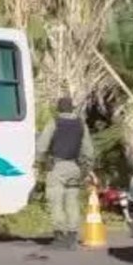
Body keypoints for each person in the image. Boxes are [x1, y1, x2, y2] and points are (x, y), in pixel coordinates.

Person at [35, 97, 96, 249]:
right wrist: (86, 169)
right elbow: (88, 150)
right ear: (72, 108)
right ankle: (73, 236)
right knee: (72, 201)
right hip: (74, 167)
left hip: (58, 166)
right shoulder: (81, 124)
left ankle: (60, 236)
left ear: (59, 109)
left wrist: (40, 161)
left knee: (56, 201)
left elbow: (42, 146)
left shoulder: (54, 123)